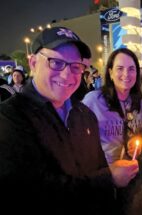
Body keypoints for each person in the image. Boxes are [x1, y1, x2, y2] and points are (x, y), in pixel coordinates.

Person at [0, 26, 124, 214]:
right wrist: (109, 178)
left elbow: (99, 166)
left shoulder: (84, 114)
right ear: (33, 63)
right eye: (56, 63)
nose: (67, 75)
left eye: (75, 66)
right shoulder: (10, 117)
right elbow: (31, 192)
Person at [82, 48, 142, 215]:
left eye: (132, 69)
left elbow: (138, 133)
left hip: (130, 173)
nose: (126, 74)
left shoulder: (139, 103)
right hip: (104, 175)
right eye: (120, 68)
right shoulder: (93, 100)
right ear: (110, 72)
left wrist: (135, 143)